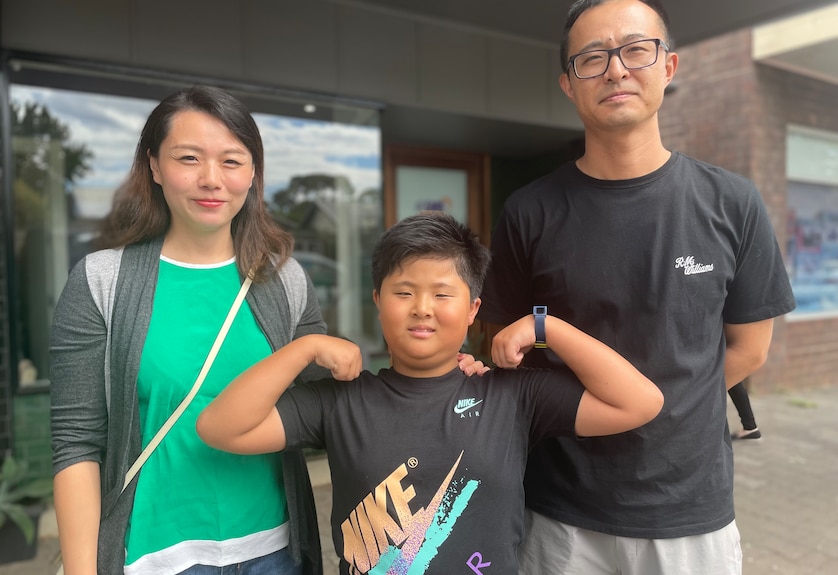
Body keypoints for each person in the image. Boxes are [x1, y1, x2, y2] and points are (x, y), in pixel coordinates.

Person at [477, 1, 797, 574]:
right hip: (561, 511)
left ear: (668, 66)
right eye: (592, 58)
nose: (616, 70)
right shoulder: (530, 212)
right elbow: (504, 343)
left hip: (689, 510)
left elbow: (750, 347)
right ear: (568, 86)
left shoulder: (732, 203)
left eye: (634, 50)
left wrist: (674, 412)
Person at [196, 211, 664, 574]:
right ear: (377, 302)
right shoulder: (340, 401)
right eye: (403, 293)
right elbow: (220, 428)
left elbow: (639, 402)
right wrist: (304, 349)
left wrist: (548, 328)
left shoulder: (511, 396)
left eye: (442, 294)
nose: (422, 309)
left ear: (472, 310)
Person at [50, 85, 329, 575]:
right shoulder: (100, 282)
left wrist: (443, 373)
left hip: (274, 552)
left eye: (231, 161)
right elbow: (76, 443)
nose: (211, 180)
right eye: (189, 158)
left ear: (252, 174)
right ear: (154, 167)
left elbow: (327, 412)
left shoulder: (285, 282)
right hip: (154, 557)